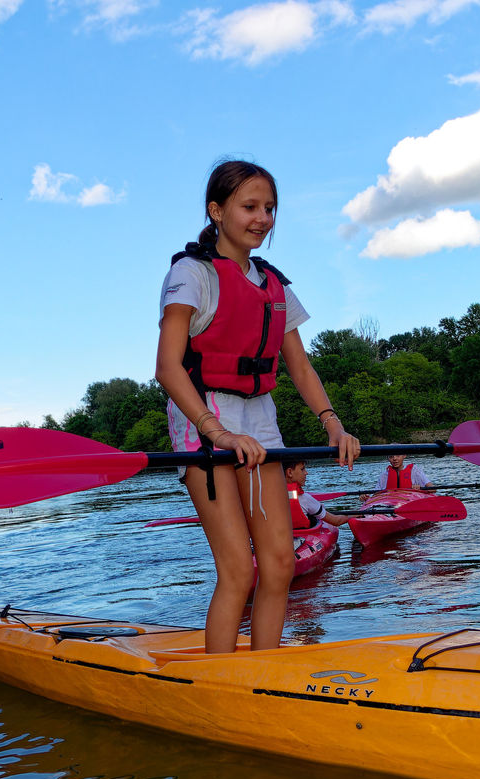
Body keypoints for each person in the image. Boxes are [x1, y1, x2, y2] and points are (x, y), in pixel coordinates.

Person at [155, 159, 360, 653]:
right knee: (238, 570)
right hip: (202, 419)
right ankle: (221, 681)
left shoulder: (275, 285)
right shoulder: (192, 274)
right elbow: (166, 367)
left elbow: (301, 367)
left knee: (280, 564)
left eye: (269, 208)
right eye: (249, 206)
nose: (262, 218)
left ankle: (263, 672)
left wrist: (333, 424)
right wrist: (217, 432)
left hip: (260, 419)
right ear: (217, 210)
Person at [283, 460, 350, 530]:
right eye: (302, 469)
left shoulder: (272, 495)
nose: (306, 473)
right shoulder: (305, 499)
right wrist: (355, 515)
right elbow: (336, 521)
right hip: (304, 535)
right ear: (289, 472)